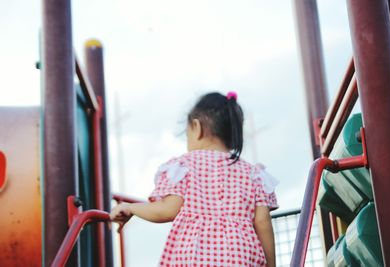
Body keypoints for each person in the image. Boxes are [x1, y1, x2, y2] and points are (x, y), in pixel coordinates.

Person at [110, 91, 279, 267]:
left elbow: (166, 210)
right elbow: (262, 222)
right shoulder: (253, 174)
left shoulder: (183, 167)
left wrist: (131, 208)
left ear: (196, 128)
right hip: (240, 258)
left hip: (195, 258)